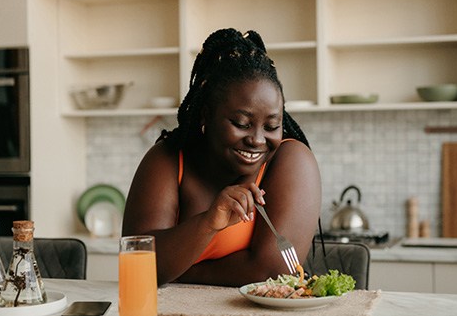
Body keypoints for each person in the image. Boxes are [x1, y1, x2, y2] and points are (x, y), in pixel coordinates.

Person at [122, 28, 321, 287]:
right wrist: (207, 224)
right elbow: (137, 263)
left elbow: (272, 272)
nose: (258, 140)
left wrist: (182, 271)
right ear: (206, 116)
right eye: (241, 123)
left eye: (272, 126)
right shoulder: (168, 158)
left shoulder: (291, 161)